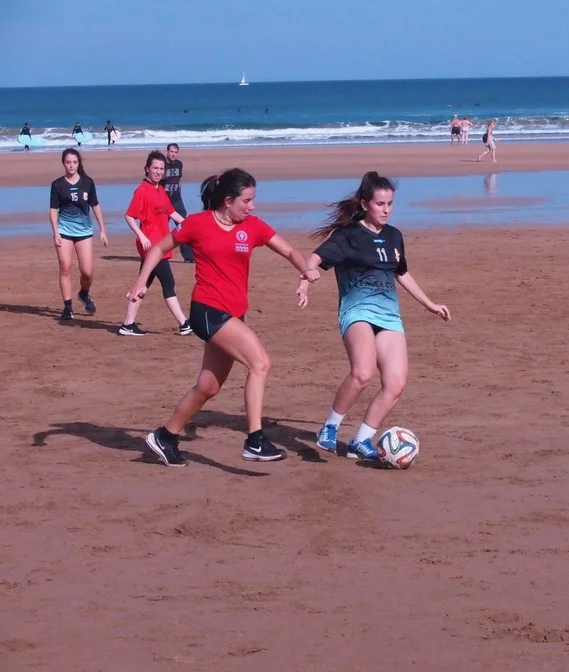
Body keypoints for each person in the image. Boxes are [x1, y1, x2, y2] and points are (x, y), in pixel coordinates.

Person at [131, 168, 321, 466]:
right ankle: (255, 440)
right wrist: (141, 282)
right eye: (247, 200)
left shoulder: (252, 227)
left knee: (208, 387)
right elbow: (158, 248)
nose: (252, 206)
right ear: (228, 201)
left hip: (234, 315)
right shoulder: (198, 223)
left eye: (253, 200)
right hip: (208, 310)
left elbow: (289, 251)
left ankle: (165, 437)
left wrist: (305, 270)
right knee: (260, 363)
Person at [297, 171, 451, 461]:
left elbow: (401, 273)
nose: (386, 209)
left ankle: (361, 441)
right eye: (380, 204)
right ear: (365, 204)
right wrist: (305, 280)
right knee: (363, 372)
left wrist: (429, 304)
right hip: (357, 312)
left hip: (389, 316)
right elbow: (315, 258)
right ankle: (329, 428)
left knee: (395, 383)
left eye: (390, 203)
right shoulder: (348, 235)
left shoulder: (394, 236)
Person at [118, 151, 191, 336]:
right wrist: (142, 236)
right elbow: (129, 216)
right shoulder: (142, 190)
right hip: (151, 245)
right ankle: (184, 324)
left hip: (162, 243)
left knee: (144, 283)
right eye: (155, 168)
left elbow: (172, 213)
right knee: (168, 282)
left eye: (161, 169)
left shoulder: (160, 190)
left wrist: (190, 226)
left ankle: (128, 324)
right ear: (147, 169)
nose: (158, 171)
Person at [49, 149, 109, 321]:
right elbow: (53, 210)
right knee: (65, 267)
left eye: (74, 162)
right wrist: (55, 232)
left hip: (84, 231)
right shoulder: (57, 185)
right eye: (68, 162)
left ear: (78, 163)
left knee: (87, 272)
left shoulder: (87, 182)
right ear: (63, 163)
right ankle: (67, 307)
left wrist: (102, 230)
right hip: (64, 231)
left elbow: (95, 206)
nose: (71, 165)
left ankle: (83, 293)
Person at [162, 143, 195, 263]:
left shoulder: (179, 164)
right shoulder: (162, 165)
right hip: (163, 201)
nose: (173, 154)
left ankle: (189, 257)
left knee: (183, 226)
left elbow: (179, 181)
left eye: (176, 152)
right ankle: (158, 253)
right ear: (167, 152)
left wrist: (179, 195)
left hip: (176, 200)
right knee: (161, 228)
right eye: (171, 152)